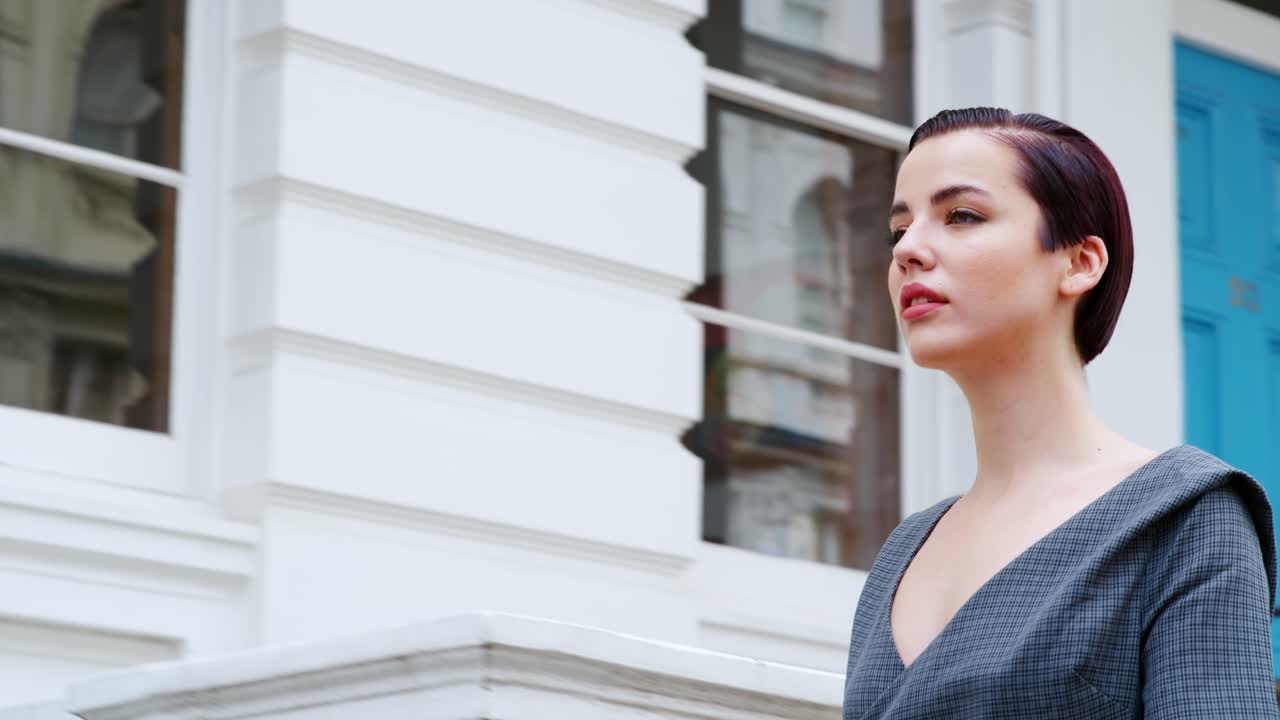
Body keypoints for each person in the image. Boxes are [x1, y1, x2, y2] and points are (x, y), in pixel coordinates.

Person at [841, 107, 1278, 719]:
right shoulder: (902, 554)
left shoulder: (1182, 517)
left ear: (1079, 263)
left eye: (961, 216)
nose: (909, 249)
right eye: (899, 230)